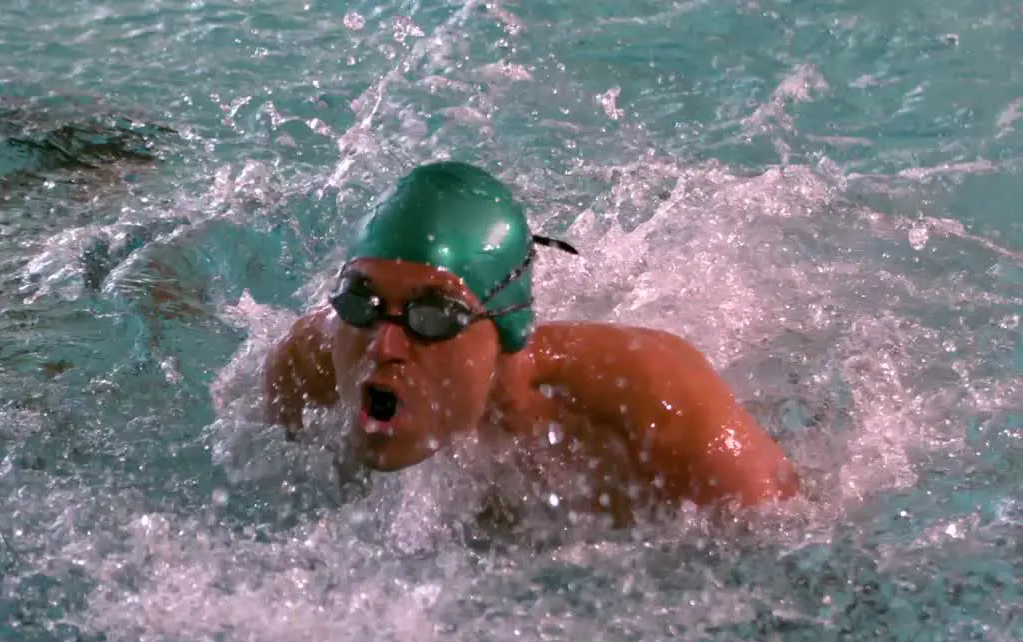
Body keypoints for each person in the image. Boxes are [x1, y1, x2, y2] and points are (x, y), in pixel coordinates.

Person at [262, 161, 799, 528]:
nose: (385, 345)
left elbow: (794, 540)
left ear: (506, 326)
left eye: (434, 316)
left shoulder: (659, 400)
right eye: (362, 301)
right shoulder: (308, 367)